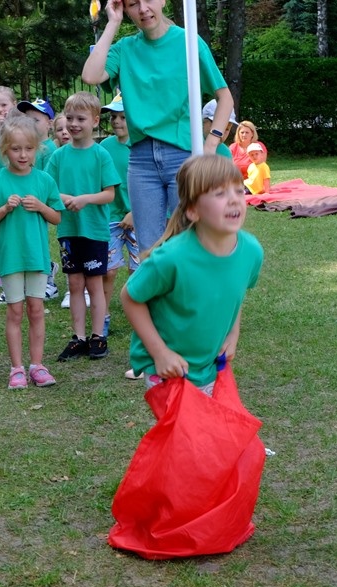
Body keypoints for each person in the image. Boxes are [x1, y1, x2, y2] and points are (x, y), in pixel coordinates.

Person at [82, 0, 234, 256]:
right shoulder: (125, 48)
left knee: (189, 242)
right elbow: (90, 76)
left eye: (148, 0)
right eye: (133, 4)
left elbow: (225, 97)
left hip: (183, 157)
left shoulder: (188, 42)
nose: (143, 9)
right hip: (141, 161)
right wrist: (113, 22)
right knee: (149, 250)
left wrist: (211, 144)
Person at [122, 154, 264, 393]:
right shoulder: (171, 259)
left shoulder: (251, 252)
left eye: (239, 191)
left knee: (209, 418)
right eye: (220, 193)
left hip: (208, 365)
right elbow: (130, 297)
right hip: (167, 370)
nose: (233, 200)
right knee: (188, 420)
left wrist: (233, 333)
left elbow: (236, 294)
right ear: (193, 211)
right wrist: (160, 353)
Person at [0, 116, 65, 389]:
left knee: (36, 310)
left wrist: (41, 206)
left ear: (37, 149)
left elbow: (57, 217)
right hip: (11, 259)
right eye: (16, 149)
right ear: (5, 150)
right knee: (15, 312)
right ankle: (17, 368)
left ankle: (37, 365)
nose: (23, 155)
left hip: (37, 258)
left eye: (28, 148)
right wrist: (4, 208)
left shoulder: (44, 180)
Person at [45, 91, 120, 362]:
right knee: (75, 283)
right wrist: (65, 198)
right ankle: (78, 337)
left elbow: (109, 194)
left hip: (94, 230)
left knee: (94, 284)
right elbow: (48, 190)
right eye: (70, 118)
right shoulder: (58, 156)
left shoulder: (101, 155)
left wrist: (85, 199)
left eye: (81, 119)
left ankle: (98, 336)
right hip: (68, 230)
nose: (74, 124)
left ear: (95, 121)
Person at [99, 93, 139, 343]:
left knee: (139, 271)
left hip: (140, 218)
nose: (116, 121)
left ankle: (141, 318)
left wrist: (135, 211)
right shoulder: (104, 147)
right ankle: (102, 317)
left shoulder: (142, 146)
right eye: (113, 117)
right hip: (110, 218)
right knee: (108, 271)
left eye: (123, 117)